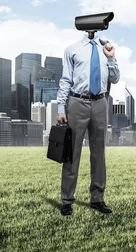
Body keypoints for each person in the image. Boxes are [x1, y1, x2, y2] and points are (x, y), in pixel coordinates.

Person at [56, 34, 120, 215]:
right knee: (71, 153)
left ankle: (97, 199)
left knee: (99, 153)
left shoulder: (106, 49)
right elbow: (66, 79)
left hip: (100, 103)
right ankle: (67, 200)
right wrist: (61, 107)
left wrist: (112, 58)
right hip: (77, 102)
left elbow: (114, 79)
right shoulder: (72, 49)